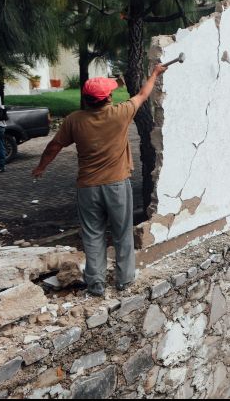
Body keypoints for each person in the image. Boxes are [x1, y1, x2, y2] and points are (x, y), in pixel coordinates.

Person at [32, 65, 167, 296]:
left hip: (87, 188)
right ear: (108, 98)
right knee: (122, 232)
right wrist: (154, 73)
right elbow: (143, 95)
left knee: (92, 235)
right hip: (116, 185)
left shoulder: (74, 120)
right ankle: (124, 280)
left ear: (86, 98)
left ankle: (96, 285)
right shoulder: (121, 113)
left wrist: (41, 167)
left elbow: (54, 146)